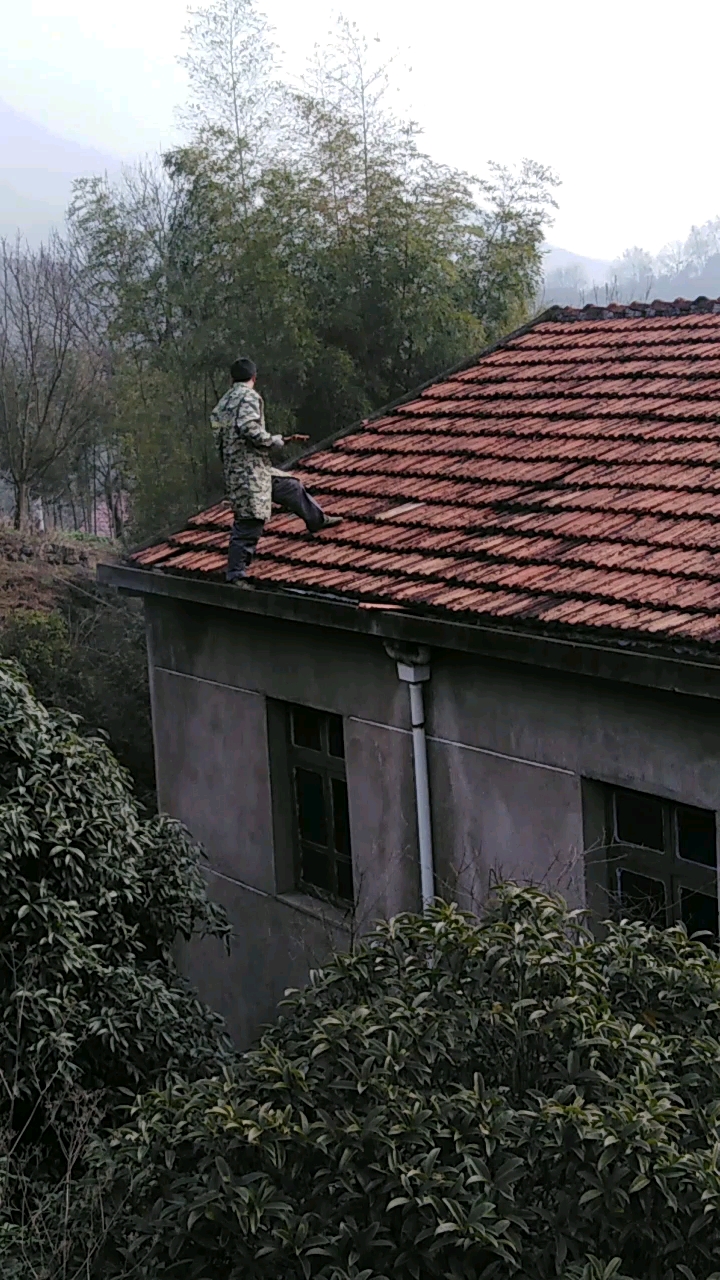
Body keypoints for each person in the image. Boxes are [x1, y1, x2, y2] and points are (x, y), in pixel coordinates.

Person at [210, 356, 342, 585]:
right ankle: (235, 575)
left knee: (290, 486)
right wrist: (275, 442)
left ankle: (316, 519)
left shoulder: (222, 404)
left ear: (232, 379)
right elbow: (249, 429)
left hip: (244, 468)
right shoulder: (248, 397)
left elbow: (221, 438)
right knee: (251, 518)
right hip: (248, 472)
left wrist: (282, 440)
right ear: (254, 377)